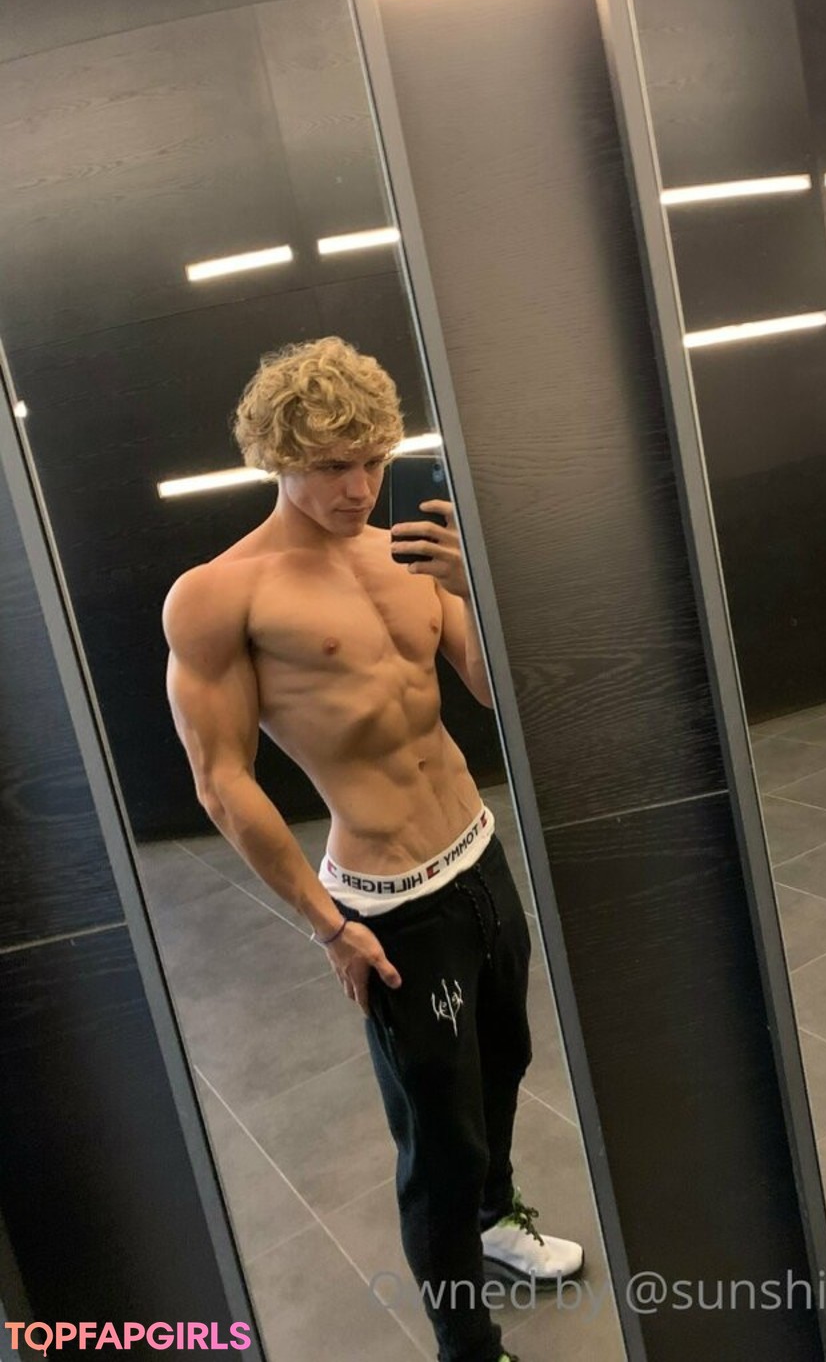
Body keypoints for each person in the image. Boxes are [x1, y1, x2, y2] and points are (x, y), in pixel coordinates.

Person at [163, 337, 582, 1362]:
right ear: (278, 458)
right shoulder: (221, 594)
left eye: (372, 460)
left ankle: (496, 1222)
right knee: (438, 1140)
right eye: (330, 466)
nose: (358, 487)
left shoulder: (405, 552)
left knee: (506, 1063)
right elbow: (221, 780)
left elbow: (492, 691)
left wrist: (477, 588)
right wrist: (330, 927)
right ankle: (466, 1346)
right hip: (391, 904)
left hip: (478, 855)